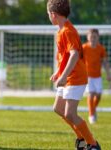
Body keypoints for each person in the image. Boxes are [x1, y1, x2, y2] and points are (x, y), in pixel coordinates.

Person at [47, 0, 101, 150]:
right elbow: (65, 57)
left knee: (70, 114)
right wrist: (59, 73)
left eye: (48, 15)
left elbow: (74, 55)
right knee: (58, 108)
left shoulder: (68, 31)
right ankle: (81, 137)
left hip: (76, 78)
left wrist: (64, 76)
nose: (49, 17)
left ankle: (92, 144)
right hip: (68, 77)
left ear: (53, 14)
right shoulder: (61, 30)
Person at [83, 28, 111, 124]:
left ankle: (93, 108)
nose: (93, 38)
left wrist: (108, 74)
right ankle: (91, 115)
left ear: (98, 37)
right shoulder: (84, 48)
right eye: (91, 36)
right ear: (88, 37)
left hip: (98, 76)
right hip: (88, 76)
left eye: (95, 37)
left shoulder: (101, 48)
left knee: (98, 95)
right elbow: (78, 60)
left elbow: (105, 62)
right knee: (91, 94)